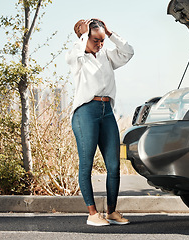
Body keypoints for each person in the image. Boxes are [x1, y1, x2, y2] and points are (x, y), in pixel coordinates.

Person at [65, 19, 134, 226]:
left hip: (107, 112)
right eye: (96, 40)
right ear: (84, 36)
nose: (100, 44)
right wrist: (86, 34)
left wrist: (110, 33)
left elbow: (128, 52)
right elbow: (77, 52)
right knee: (86, 165)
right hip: (85, 112)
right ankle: (92, 214)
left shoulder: (106, 56)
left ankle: (111, 212)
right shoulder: (76, 57)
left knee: (114, 165)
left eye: (102, 40)